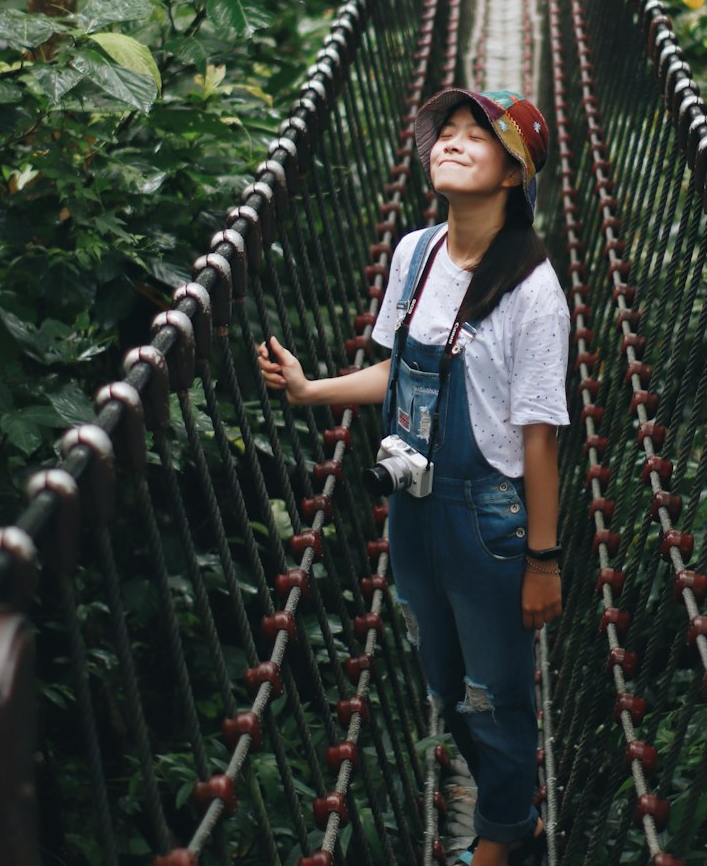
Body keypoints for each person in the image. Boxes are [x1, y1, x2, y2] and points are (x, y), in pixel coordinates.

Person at [258, 87, 570, 866]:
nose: (453, 143)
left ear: (513, 174)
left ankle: (502, 838)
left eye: (478, 136)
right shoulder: (416, 252)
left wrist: (542, 559)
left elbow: (539, 443)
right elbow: (401, 373)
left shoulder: (535, 294)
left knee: (495, 695)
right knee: (443, 676)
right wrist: (310, 390)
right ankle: (514, 815)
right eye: (448, 132)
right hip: (415, 507)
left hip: (488, 516)